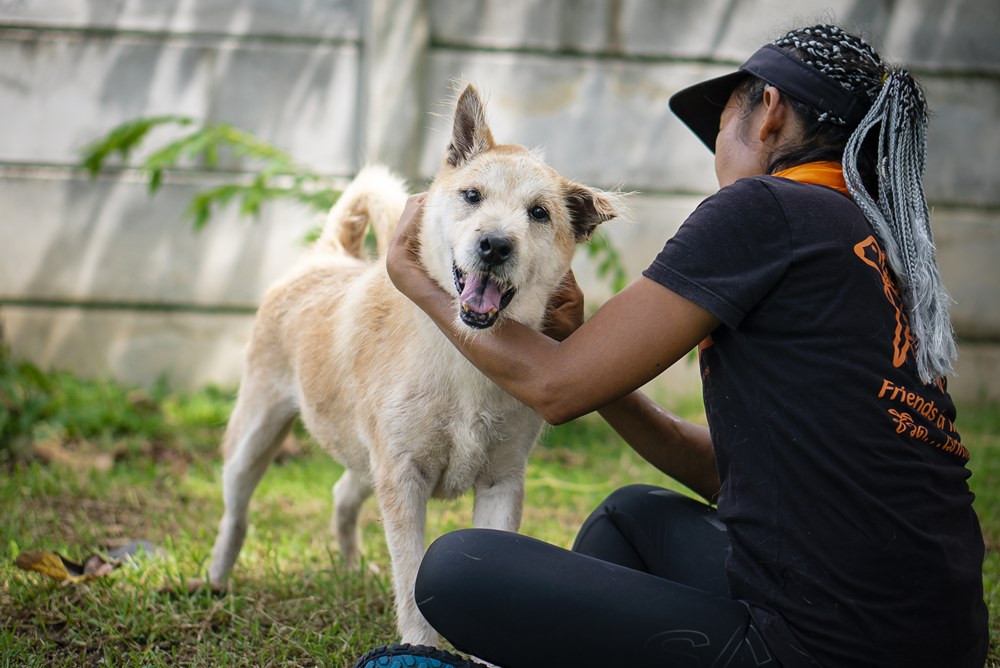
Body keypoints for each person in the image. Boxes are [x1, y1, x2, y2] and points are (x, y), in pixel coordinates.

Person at [353, 24, 988, 668]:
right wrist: (587, 358)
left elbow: (554, 387)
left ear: (767, 112)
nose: (716, 150)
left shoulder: (764, 209)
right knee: (633, 516)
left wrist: (415, 282)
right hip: (935, 636)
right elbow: (735, 476)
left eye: (718, 124)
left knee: (460, 566)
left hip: (816, 648)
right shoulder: (879, 247)